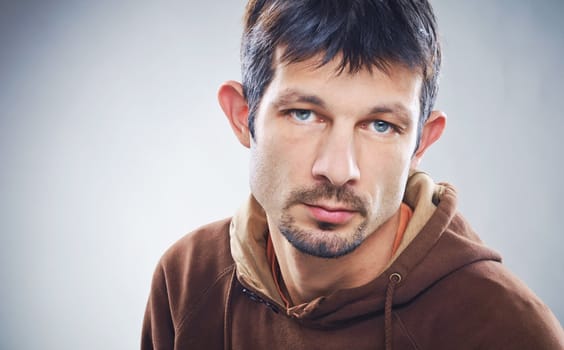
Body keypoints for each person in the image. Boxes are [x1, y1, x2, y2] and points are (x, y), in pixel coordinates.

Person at [141, 0, 564, 349]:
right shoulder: (187, 280)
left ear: (421, 143)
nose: (339, 170)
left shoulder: (507, 331)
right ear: (241, 116)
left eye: (381, 125)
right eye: (304, 114)